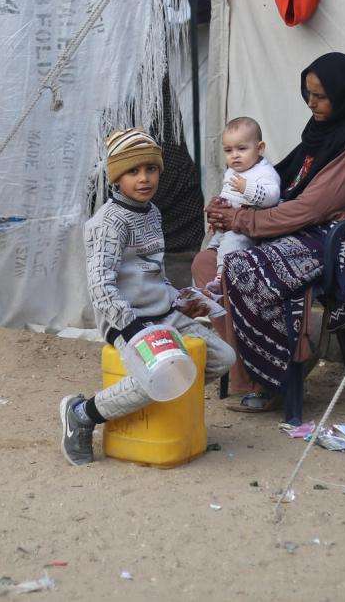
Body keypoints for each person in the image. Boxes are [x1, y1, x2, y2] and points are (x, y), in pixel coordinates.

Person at [194, 53, 345, 413]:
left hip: (340, 240)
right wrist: (230, 202)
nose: (311, 103)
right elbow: (279, 182)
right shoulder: (326, 134)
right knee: (205, 261)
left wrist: (242, 220)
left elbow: (311, 208)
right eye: (308, 93)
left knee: (245, 267)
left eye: (320, 96)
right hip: (310, 227)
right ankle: (243, 369)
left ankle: (280, 377)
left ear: (344, 94)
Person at [60, 128, 236, 465]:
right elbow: (101, 288)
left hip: (163, 313)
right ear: (116, 177)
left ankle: (160, 406)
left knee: (222, 358)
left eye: (151, 169)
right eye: (133, 171)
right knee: (158, 376)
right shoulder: (108, 223)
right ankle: (83, 413)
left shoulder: (152, 212)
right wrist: (131, 328)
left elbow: (153, 272)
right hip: (127, 321)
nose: (144, 179)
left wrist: (183, 298)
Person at [203, 116, 282, 297]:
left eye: (242, 148)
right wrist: (219, 206)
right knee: (213, 243)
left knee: (232, 243)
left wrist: (248, 188)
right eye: (228, 150)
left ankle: (221, 278)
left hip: (248, 229)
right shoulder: (233, 171)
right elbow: (228, 194)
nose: (235, 155)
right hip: (229, 225)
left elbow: (272, 196)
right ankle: (215, 263)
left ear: (260, 148)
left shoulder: (264, 172)